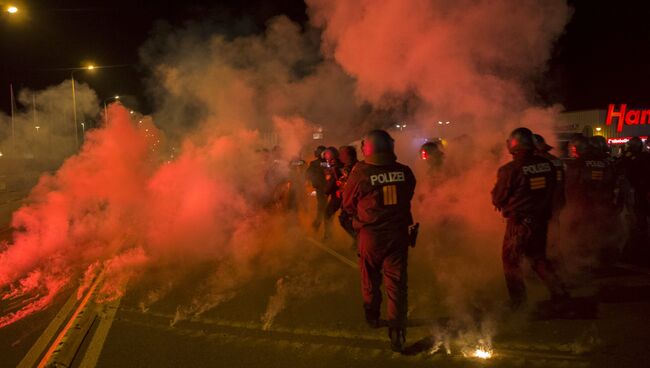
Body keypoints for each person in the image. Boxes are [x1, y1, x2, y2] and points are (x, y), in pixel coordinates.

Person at [341, 130, 416, 352]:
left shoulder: (361, 173)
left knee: (370, 278)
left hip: (371, 236)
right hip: (398, 234)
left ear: (368, 148)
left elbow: (347, 204)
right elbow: (408, 194)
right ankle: (397, 331)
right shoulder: (404, 171)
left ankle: (372, 316)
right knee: (397, 284)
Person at [491, 127, 568, 310]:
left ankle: (518, 302)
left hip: (519, 223)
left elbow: (498, 197)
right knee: (538, 258)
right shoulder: (547, 164)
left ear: (515, 144)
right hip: (541, 220)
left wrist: (501, 200)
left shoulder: (510, 169)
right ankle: (559, 292)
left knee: (511, 261)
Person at [621, 137, 650, 246]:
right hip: (641, 188)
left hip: (637, 188)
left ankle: (640, 233)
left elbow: (625, 166)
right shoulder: (645, 156)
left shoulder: (634, 157)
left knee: (638, 210)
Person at [322, 147, 343, 240]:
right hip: (343, 194)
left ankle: (328, 236)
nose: (325, 157)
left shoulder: (335, 167)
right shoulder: (338, 164)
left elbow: (331, 182)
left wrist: (325, 192)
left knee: (327, 214)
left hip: (338, 195)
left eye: (327, 154)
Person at [306, 146, 327, 231]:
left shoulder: (315, 163)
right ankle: (319, 225)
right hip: (327, 188)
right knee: (323, 207)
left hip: (322, 189)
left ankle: (317, 225)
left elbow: (307, 174)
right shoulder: (329, 162)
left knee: (322, 207)